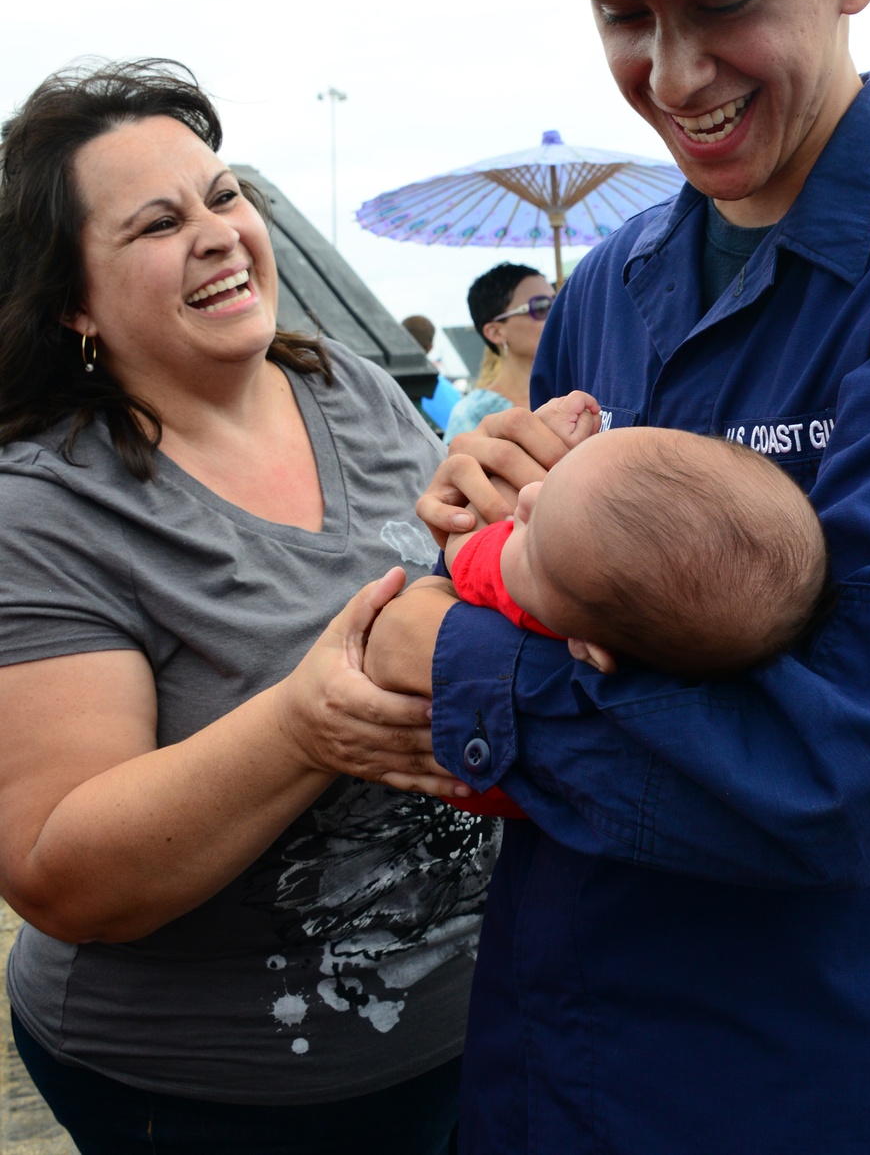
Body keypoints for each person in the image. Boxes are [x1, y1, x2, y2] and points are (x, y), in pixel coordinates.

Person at [360, 0, 870, 1154]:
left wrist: (450, 657)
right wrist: (478, 525)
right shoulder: (613, 292)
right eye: (619, 10)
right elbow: (559, 593)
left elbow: (843, 779)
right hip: (547, 1057)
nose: (672, 69)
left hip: (808, 1078)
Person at [0, 61, 498, 1155]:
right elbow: (57, 870)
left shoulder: (352, 390)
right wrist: (302, 725)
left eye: (225, 196)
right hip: (206, 1100)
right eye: (157, 223)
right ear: (74, 299)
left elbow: (448, 599)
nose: (220, 232)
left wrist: (521, 532)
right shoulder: (41, 510)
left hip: (469, 1042)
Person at [448, 390, 829, 677]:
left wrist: (496, 482)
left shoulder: (544, 609)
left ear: (589, 650)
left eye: (532, 546)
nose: (529, 493)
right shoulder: (593, 592)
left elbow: (463, 552)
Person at [441, 263, 554, 443]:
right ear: (495, 332)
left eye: (558, 302)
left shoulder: (579, 390)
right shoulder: (473, 414)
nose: (556, 315)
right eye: (541, 307)